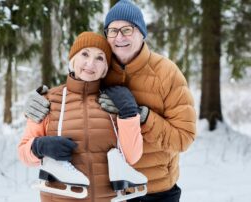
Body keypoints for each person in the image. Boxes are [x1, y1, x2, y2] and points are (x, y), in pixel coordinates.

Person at [24, 0, 197, 201]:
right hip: (112, 192)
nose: (119, 37)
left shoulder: (167, 74)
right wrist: (36, 102)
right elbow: (73, 91)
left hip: (156, 189)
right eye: (112, 31)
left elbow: (183, 138)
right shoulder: (100, 68)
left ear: (142, 33)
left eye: (127, 29)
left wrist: (142, 116)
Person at [18, 32, 145, 202]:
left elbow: (132, 157)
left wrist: (129, 113)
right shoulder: (48, 100)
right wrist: (39, 146)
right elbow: (24, 153)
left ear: (105, 68)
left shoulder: (113, 102)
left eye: (100, 58)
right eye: (84, 54)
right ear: (73, 60)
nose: (90, 63)